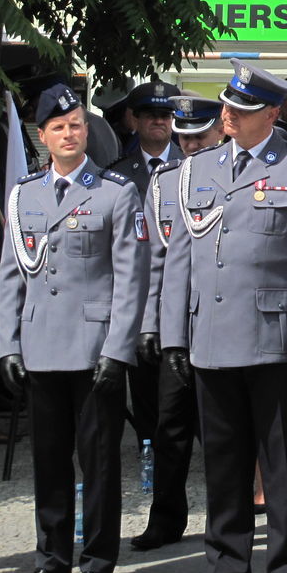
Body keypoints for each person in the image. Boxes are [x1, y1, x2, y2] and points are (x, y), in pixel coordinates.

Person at [160, 60, 287, 573]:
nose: (228, 116)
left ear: (268, 112)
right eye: (227, 106)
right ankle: (227, 564)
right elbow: (180, 260)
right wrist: (174, 334)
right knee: (222, 462)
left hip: (273, 339)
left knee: (281, 464)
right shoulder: (197, 169)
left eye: (239, 109)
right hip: (211, 337)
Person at [0, 84, 147, 573]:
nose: (69, 134)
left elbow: (131, 279)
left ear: (88, 130)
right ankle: (51, 559)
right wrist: (7, 346)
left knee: (99, 462)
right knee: (49, 463)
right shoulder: (25, 196)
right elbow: (10, 276)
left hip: (94, 350)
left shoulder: (114, 193)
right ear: (43, 137)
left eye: (76, 125)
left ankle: (99, 561)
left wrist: (118, 349)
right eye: (58, 127)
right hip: (40, 349)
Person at [132, 95, 224, 552]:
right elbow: (152, 262)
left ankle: (229, 522)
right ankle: (165, 518)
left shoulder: (233, 175)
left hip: (221, 323)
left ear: (221, 132)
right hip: (175, 325)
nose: (188, 145)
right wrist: (150, 323)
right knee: (169, 426)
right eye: (182, 136)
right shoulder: (163, 182)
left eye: (199, 136)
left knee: (223, 432)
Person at [108, 81, 183, 455]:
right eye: (151, 114)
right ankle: (149, 448)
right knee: (144, 375)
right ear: (132, 119)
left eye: (166, 115)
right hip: (138, 291)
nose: (159, 121)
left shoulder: (191, 166)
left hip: (183, 287)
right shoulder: (117, 174)